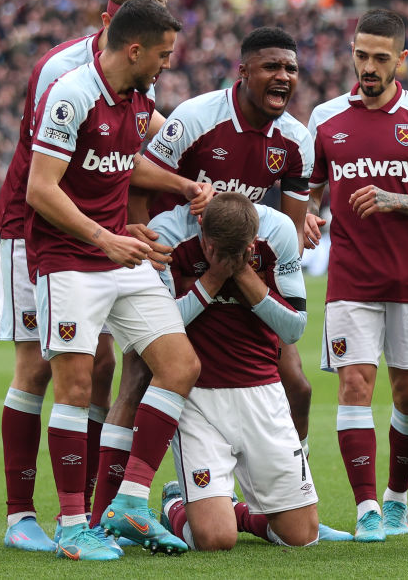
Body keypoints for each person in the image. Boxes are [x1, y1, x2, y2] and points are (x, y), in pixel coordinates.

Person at [137, 27, 350, 539]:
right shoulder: (196, 118)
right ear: (244, 72)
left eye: (291, 69)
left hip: (247, 260)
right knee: (135, 378)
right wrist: (139, 235)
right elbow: (140, 176)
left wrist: (298, 232)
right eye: (272, 67)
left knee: (296, 382)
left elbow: (294, 229)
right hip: (183, 259)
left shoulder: (297, 140)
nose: (283, 77)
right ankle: (130, 501)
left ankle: (286, 494)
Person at [26, 0, 211, 561]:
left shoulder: (139, 97)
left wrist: (177, 189)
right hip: (68, 259)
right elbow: (41, 188)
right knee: (77, 388)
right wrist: (103, 237)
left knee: (181, 366)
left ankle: (130, 502)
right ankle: (72, 526)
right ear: (134, 49)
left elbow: (124, 162)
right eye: (163, 54)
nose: (166, 64)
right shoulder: (73, 94)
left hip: (120, 254)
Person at [0, 0, 169, 553]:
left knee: (98, 366)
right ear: (113, 23)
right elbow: (49, 176)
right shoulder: (63, 74)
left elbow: (139, 149)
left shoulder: (139, 76)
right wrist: (106, 233)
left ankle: (90, 505)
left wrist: (196, 186)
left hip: (101, 235)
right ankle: (22, 514)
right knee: (40, 369)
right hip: (35, 227)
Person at [304, 9, 408, 543]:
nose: (368, 67)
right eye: (361, 56)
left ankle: (396, 499)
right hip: (351, 279)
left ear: (400, 60)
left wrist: (398, 200)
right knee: (354, 385)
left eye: (380, 58)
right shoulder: (326, 118)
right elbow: (309, 187)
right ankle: (365, 507)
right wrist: (309, 215)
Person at [149, 192, 319, 550]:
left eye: (239, 251)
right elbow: (162, 328)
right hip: (198, 399)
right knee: (214, 540)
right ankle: (176, 503)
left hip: (264, 394)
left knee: (302, 537)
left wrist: (242, 273)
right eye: (220, 250)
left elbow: (294, 328)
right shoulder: (167, 235)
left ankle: (235, 511)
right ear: (205, 239)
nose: (230, 257)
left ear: (252, 241)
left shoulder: (279, 233)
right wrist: (213, 278)